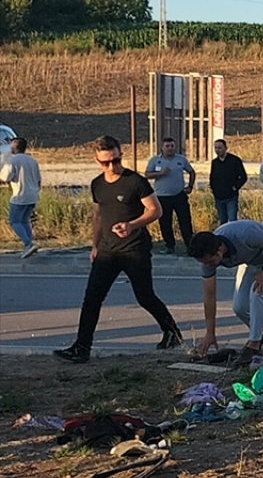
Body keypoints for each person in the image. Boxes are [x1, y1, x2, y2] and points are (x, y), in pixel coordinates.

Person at [54, 136, 183, 363]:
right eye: (105, 162)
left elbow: (155, 210)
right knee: (92, 298)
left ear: (121, 155)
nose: (111, 166)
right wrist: (95, 245)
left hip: (134, 250)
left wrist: (132, 225)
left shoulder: (135, 181)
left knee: (145, 297)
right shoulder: (97, 184)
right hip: (107, 251)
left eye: (115, 160)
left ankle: (172, 333)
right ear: (97, 160)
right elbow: (98, 216)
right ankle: (82, 347)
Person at [188, 220, 263, 367]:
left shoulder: (246, 235)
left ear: (219, 250)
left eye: (210, 261)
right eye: (204, 263)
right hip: (253, 261)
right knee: (239, 307)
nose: (208, 266)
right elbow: (209, 295)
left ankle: (254, 345)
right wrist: (210, 333)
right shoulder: (208, 259)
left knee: (258, 292)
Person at [144, 137, 197, 254]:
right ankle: (169, 246)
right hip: (162, 197)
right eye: (167, 146)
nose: (170, 148)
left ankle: (190, 247)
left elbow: (191, 172)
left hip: (179, 195)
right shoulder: (155, 160)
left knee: (185, 221)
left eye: (172, 146)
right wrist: (160, 173)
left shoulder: (181, 159)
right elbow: (147, 174)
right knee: (165, 222)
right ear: (162, 147)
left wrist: (190, 186)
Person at [1, 137, 41, 258]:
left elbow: (5, 177)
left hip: (20, 195)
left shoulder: (13, 160)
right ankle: (29, 246)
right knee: (24, 220)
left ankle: (28, 244)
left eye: (12, 145)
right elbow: (39, 179)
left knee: (14, 221)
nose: (10, 147)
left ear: (15, 146)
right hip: (33, 195)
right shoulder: (32, 160)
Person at [209, 139, 248, 225]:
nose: (217, 150)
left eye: (220, 148)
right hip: (218, 197)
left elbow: (243, 177)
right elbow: (212, 177)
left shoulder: (235, 160)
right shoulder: (215, 162)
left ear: (225, 148)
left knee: (232, 221)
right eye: (216, 148)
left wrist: (235, 187)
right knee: (223, 222)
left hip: (231, 197)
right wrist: (213, 189)